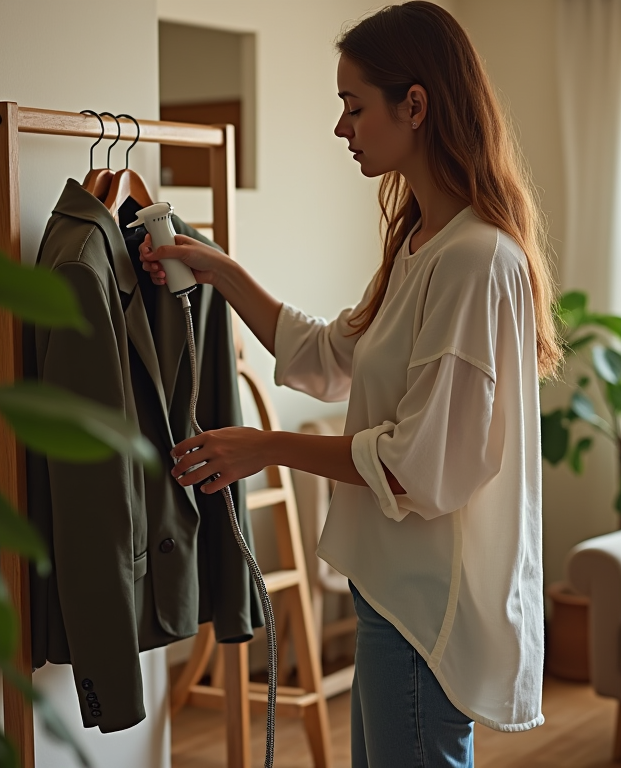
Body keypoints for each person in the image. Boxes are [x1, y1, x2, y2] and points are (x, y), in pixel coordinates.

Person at [139, 3, 562, 765]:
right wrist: (222, 271)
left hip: (427, 610)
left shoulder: (474, 260)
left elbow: (416, 464)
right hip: (391, 592)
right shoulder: (420, 244)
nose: (342, 127)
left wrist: (266, 447)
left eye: (353, 106)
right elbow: (332, 355)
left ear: (416, 105)